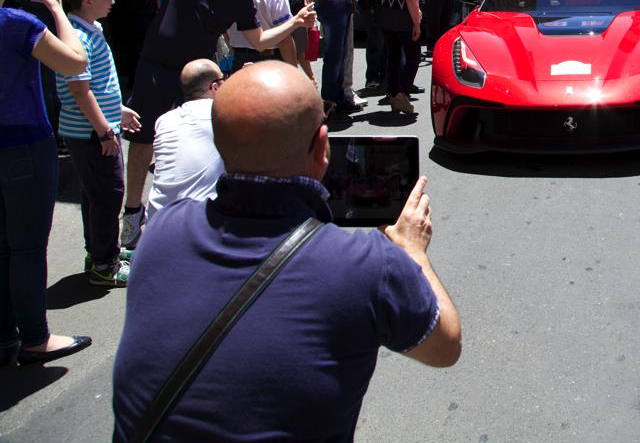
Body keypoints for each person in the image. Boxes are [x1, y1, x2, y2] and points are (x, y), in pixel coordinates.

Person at [112, 62, 461, 440]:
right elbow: (445, 347)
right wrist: (414, 252)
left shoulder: (163, 229)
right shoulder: (368, 265)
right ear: (323, 146)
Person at [122, 0, 315, 249]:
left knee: (206, 141)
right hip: (155, 67)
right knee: (143, 141)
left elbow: (260, 41)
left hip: (199, 80)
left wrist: (295, 22)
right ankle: (132, 216)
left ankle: (205, 216)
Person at [0, 0, 92, 366]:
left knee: (3, 245)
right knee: (27, 247)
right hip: (23, 144)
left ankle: (5, 336)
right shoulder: (16, 23)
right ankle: (36, 338)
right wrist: (56, 9)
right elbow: (75, 61)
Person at [56, 0, 141, 286]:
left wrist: (117, 111)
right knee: (107, 194)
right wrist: (104, 130)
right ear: (89, 1)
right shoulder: (78, 38)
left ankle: (101, 251)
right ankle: (104, 266)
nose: (113, 2)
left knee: (95, 195)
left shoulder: (88, 30)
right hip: (92, 133)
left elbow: (96, 85)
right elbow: (80, 90)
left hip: (93, 129)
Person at [146, 59, 225, 223]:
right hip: (196, 222)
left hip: (156, 219)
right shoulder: (221, 116)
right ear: (215, 87)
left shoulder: (164, 120)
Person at [375, 0, 423, 114]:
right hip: (404, 17)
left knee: (393, 56)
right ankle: (402, 92)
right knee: (413, 56)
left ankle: (394, 92)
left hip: (385, 15)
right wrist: (417, 23)